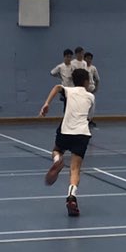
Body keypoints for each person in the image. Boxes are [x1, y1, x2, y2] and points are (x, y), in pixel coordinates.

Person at [40, 68, 95, 217]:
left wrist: (46, 104)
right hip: (82, 134)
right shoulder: (90, 97)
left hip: (66, 130)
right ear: (85, 81)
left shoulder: (68, 91)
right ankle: (72, 197)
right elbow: (90, 117)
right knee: (75, 169)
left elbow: (57, 87)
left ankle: (57, 160)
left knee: (56, 150)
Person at [84, 52, 100, 128]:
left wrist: (96, 88)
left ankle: (89, 120)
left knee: (92, 105)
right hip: (83, 88)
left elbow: (97, 79)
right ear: (84, 59)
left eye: (90, 58)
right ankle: (83, 119)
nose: (89, 60)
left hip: (91, 87)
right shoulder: (82, 67)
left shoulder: (93, 68)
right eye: (87, 58)